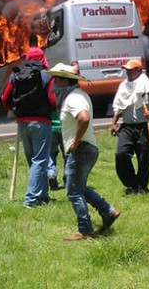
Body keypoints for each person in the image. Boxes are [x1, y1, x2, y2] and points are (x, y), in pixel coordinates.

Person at [47, 63, 120, 241]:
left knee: (73, 191)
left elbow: (84, 118)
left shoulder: (73, 98)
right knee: (76, 186)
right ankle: (107, 211)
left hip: (81, 149)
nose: (54, 83)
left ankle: (85, 229)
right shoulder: (77, 95)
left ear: (64, 81)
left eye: (57, 79)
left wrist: (76, 140)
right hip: (87, 148)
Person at [1, 47, 56, 208]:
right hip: (41, 122)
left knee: (34, 161)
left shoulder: (16, 74)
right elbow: (52, 99)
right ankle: (31, 199)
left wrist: (17, 110)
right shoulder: (46, 75)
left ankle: (43, 196)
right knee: (40, 160)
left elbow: (5, 99)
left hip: (22, 122)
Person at [110, 59, 149, 195]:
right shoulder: (123, 86)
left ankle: (142, 187)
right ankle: (131, 184)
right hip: (126, 127)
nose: (128, 72)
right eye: (126, 70)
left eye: (131, 70)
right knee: (121, 154)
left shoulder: (148, 85)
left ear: (139, 70)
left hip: (144, 126)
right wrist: (114, 123)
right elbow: (118, 107)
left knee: (143, 157)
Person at [47, 111, 65, 190]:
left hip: (51, 127)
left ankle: (51, 173)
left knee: (51, 153)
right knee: (68, 154)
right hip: (65, 127)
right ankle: (69, 180)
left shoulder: (48, 98)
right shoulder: (66, 98)